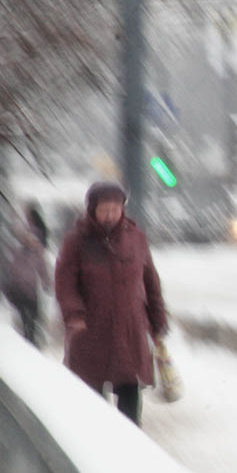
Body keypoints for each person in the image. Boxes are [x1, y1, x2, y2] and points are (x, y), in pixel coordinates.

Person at [54, 181, 168, 426]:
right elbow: (64, 282)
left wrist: (157, 317)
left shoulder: (136, 238)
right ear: (92, 209)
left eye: (115, 209)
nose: (109, 215)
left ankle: (131, 445)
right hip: (90, 330)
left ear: (123, 209)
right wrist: (74, 313)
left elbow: (150, 280)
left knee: (129, 391)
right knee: (91, 398)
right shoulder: (77, 241)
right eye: (104, 209)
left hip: (129, 330)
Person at [0, 220, 51, 347]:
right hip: (17, 290)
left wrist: (47, 284)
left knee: (34, 315)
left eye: (34, 239)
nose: (31, 241)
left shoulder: (39, 255)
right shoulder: (17, 252)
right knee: (23, 314)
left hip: (31, 291)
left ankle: (32, 339)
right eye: (28, 238)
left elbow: (43, 271)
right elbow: (9, 268)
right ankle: (25, 338)